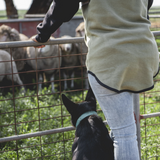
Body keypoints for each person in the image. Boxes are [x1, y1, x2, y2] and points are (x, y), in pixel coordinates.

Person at [33, 0, 159, 159]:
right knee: (123, 127)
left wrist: (43, 34)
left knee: (124, 134)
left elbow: (65, 4)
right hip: (143, 50)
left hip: (110, 55)